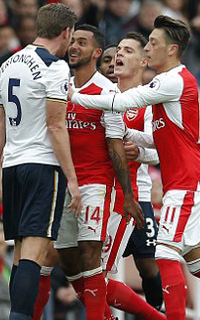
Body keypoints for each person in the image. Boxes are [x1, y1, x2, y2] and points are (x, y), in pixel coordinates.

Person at [69, 15, 200, 320]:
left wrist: (72, 97)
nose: (148, 50)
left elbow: (124, 101)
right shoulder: (172, 83)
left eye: (153, 44)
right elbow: (161, 141)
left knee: (164, 254)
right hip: (184, 181)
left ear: (171, 50)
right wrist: (128, 137)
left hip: (185, 183)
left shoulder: (172, 80)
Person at [0, 4, 81, 320]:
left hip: (12, 167)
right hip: (42, 166)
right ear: (66, 32)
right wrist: (72, 179)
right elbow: (56, 125)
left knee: (21, 255)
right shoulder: (55, 67)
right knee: (35, 253)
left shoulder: (6, 65)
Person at [53, 25, 146, 320]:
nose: (73, 46)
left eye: (82, 42)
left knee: (92, 256)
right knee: (69, 264)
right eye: (72, 41)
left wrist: (129, 196)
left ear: (95, 52)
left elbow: (116, 147)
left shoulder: (109, 94)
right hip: (65, 184)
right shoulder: (59, 86)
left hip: (97, 184)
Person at [97, 32, 164, 315]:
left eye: (126, 51)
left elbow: (162, 150)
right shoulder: (102, 97)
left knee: (148, 264)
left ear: (143, 61)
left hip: (138, 194)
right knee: (97, 267)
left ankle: (157, 309)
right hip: (103, 193)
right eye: (115, 53)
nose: (118, 57)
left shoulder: (150, 102)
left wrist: (140, 153)